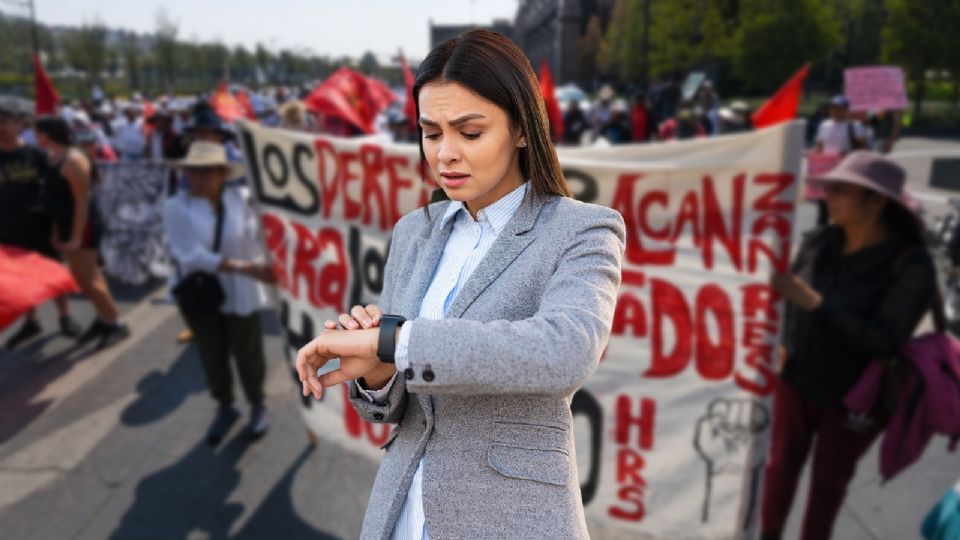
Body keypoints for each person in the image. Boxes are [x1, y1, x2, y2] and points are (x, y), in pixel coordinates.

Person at [295, 29, 625, 539]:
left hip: (514, 519)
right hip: (402, 514)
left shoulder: (581, 228)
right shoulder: (414, 232)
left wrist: (395, 340)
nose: (445, 153)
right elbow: (399, 406)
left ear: (520, 129)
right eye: (431, 133)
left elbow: (567, 351)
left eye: (470, 133)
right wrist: (378, 373)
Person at [759, 151, 937, 540]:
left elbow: (886, 341)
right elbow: (791, 297)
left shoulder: (912, 264)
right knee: (777, 475)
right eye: (827, 188)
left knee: (827, 490)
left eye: (840, 190)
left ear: (876, 202)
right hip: (797, 382)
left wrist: (817, 305)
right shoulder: (821, 240)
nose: (828, 197)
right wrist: (788, 340)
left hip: (854, 400)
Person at [164, 141, 276, 446]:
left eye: (206, 171)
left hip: (241, 291)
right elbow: (191, 256)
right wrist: (249, 268)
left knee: (248, 351)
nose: (197, 177)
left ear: (223, 173)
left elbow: (269, 225)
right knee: (213, 354)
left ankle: (257, 402)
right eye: (192, 171)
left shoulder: (242, 198)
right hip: (202, 291)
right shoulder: (176, 207)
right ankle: (225, 405)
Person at [33, 116, 130, 349]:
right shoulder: (54, 157)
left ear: (47, 135)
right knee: (88, 277)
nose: (34, 137)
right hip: (67, 224)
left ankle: (116, 323)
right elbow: (55, 199)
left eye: (37, 133)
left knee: (87, 278)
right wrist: (57, 231)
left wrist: (76, 237)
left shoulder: (73, 160)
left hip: (83, 225)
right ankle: (104, 317)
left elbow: (82, 202)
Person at [0, 98, 82, 348]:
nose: (0, 127)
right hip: (6, 227)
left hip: (39, 225)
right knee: (21, 280)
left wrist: (57, 225)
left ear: (19, 124)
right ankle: (31, 321)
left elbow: (55, 191)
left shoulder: (36, 154)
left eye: (4, 121)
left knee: (52, 272)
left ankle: (65, 316)